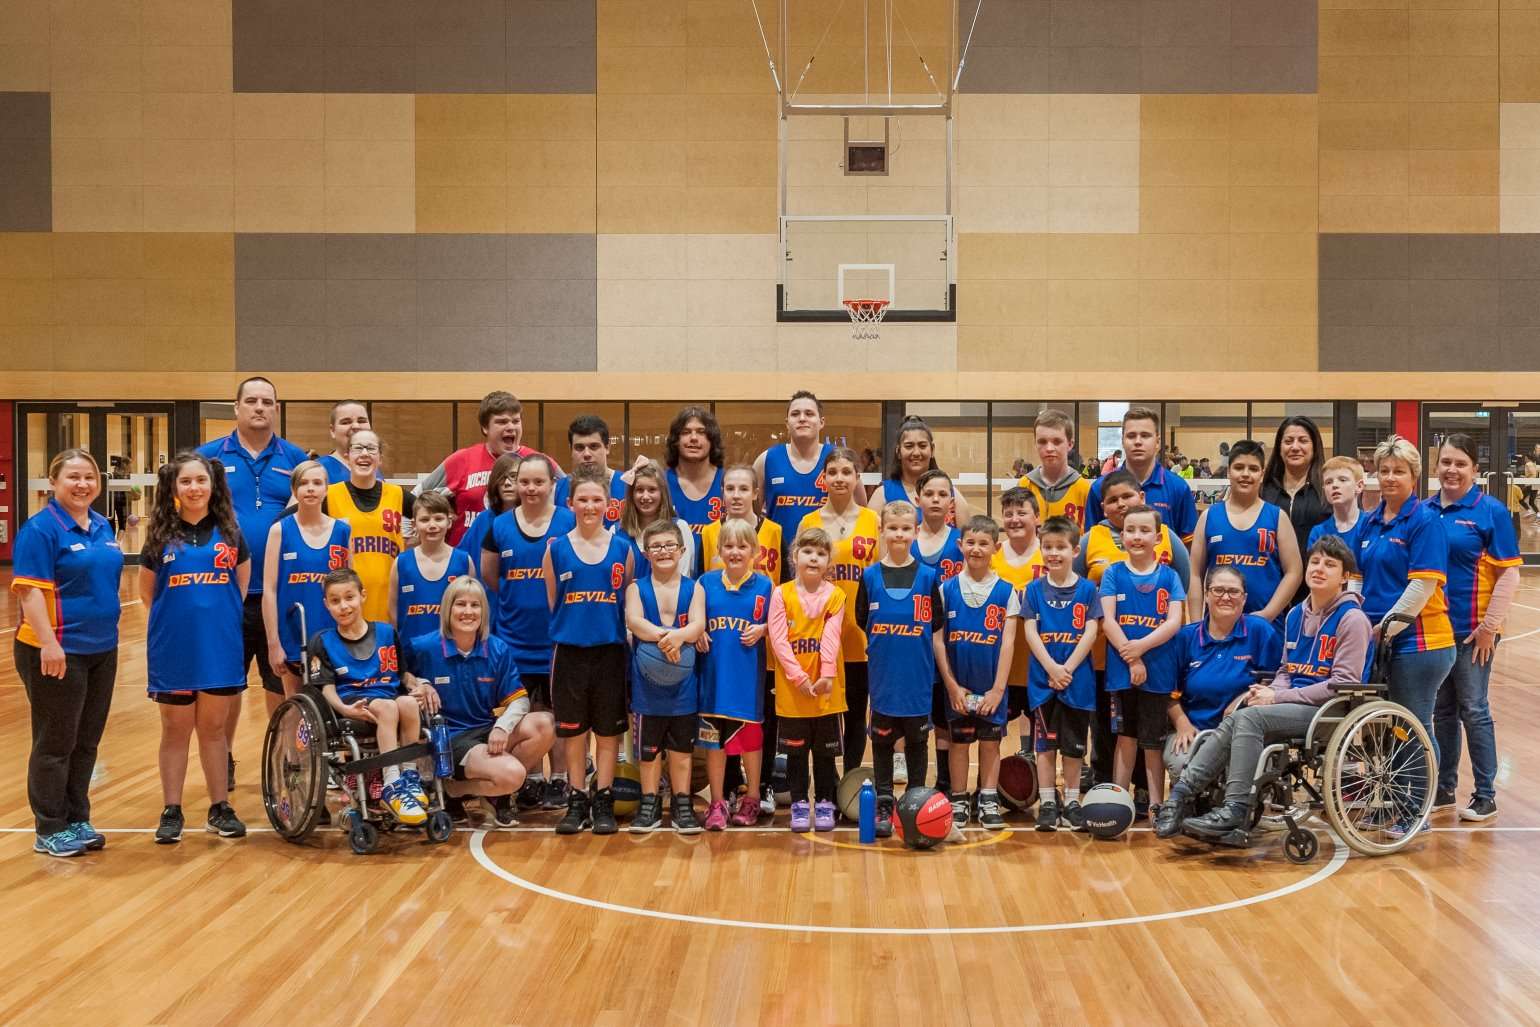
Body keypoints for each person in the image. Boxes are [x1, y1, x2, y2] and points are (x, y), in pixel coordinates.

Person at [1158, 537, 1372, 842]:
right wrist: (1264, 692)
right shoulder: (1297, 614)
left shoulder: (1353, 619)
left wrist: (1277, 696)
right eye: (1315, 562)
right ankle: (1179, 798)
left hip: (1328, 712)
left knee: (1249, 718)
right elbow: (1286, 670)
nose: (1319, 569)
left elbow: (1344, 684)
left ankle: (1233, 808)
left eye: (1330, 564)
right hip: (1292, 705)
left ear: (1345, 577)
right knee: (1244, 712)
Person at [12, 449, 124, 857]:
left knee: (87, 741)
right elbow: (29, 592)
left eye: (89, 478)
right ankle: (50, 827)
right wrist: (49, 643)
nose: (82, 485)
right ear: (54, 482)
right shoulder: (41, 529)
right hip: (56, 651)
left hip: (101, 649)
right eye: (73, 477)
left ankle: (78, 818)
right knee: (55, 741)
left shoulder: (101, 525)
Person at [197, 376, 308, 787]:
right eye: (252, 401)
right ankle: (222, 759)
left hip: (280, 594)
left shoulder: (296, 460)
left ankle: (285, 759)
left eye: (267, 402)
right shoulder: (208, 459)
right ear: (236, 407)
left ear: (276, 409)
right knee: (226, 686)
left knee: (281, 682)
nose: (259, 407)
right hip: (226, 594)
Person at [140, 451, 251, 844]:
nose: (194, 488)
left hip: (219, 648)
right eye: (185, 481)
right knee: (175, 730)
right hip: (173, 650)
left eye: (200, 481)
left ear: (212, 485)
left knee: (214, 729)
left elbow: (239, 588)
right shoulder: (158, 537)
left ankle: (220, 807)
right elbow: (148, 594)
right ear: (174, 487)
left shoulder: (232, 533)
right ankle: (172, 809)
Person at [1357, 435, 1456, 836]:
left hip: (1421, 642)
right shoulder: (1370, 519)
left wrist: (1384, 627)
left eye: (1399, 471)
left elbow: (1421, 589)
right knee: (1388, 729)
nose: (1391, 477)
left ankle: (1418, 809)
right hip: (1382, 642)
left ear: (1415, 476)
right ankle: (1394, 803)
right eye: (1384, 470)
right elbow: (1359, 577)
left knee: (1413, 726)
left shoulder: (1425, 521)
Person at [405, 577, 556, 825]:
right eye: (460, 604)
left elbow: (520, 701)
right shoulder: (425, 647)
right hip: (450, 738)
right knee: (513, 774)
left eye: (475, 605)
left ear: (483, 611)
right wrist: (417, 682)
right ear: (447, 609)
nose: (467, 612)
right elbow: (399, 671)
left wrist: (502, 726)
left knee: (546, 725)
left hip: (485, 729)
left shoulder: (496, 648)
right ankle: (454, 789)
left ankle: (496, 796)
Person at [1077, 468, 1192, 788]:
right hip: (1107, 655)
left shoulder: (1167, 538)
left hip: (1157, 654)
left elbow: (1184, 584)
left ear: (1141, 497)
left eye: (1127, 496)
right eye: (1112, 500)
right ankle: (1108, 791)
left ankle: (1147, 794)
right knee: (1107, 729)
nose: (1120, 503)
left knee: (1150, 732)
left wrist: (1143, 647)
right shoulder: (1092, 540)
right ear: (1103, 507)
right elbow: (1081, 593)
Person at [1432, 433, 1520, 823]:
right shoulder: (1424, 510)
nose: (1452, 470)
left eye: (1460, 463)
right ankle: (1444, 788)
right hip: (1433, 631)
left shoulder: (1491, 511)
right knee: (1442, 712)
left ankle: (1486, 794)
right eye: (1446, 462)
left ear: (1475, 470)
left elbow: (1509, 575)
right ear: (1436, 467)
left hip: (1472, 633)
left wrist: (1490, 626)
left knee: (1474, 709)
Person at [482, 453, 575, 809]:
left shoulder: (567, 521)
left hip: (557, 639)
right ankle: (532, 779)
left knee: (560, 714)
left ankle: (561, 779)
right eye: (525, 482)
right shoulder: (500, 526)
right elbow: (492, 577)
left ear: (553, 485)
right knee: (525, 713)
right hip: (514, 641)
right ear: (515, 484)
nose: (531, 488)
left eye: (539, 482)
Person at [545, 467, 634, 836]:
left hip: (611, 653)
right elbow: (555, 602)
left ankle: (604, 797)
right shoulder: (556, 549)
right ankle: (577, 796)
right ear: (570, 503)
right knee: (574, 732)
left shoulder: (622, 548)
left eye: (597, 499)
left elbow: (626, 601)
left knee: (608, 734)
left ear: (609, 505)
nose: (590, 505)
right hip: (570, 652)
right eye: (583, 499)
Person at [307, 568, 432, 826]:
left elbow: (403, 674)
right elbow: (326, 687)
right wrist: (344, 709)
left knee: (408, 702)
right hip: (354, 699)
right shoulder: (322, 641)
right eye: (335, 600)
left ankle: (408, 775)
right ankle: (391, 783)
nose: (344, 606)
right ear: (326, 605)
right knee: (387, 707)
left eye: (349, 597)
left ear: (362, 596)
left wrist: (419, 685)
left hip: (387, 694)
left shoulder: (387, 633)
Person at [855, 500, 942, 836]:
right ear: (882, 531)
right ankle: (884, 801)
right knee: (881, 745)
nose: (899, 534)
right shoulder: (870, 577)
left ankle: (915, 803)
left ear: (916, 532)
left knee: (918, 746)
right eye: (893, 528)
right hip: (884, 680)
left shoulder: (927, 577)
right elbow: (863, 618)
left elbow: (934, 624)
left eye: (906, 528)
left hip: (918, 680)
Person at [1099, 505, 1186, 815]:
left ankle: (1156, 805)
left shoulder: (1170, 576)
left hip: (1159, 670)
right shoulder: (1113, 573)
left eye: (1144, 530)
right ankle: (1118, 802)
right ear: (1122, 536)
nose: (1137, 536)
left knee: (1153, 740)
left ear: (1157, 536)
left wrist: (1140, 649)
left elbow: (1174, 621)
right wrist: (1132, 657)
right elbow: (1107, 620)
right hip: (1123, 670)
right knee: (1126, 736)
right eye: (1130, 530)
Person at [798, 447, 880, 777]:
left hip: (859, 633)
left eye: (847, 472)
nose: (839, 478)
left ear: (857, 477)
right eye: (833, 472)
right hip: (820, 633)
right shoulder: (809, 521)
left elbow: (881, 576)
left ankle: (851, 779)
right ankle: (829, 781)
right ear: (824, 479)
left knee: (857, 711)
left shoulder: (873, 520)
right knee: (824, 710)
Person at [624, 521, 707, 834]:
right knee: (649, 753)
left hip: (684, 687)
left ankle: (682, 803)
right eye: (655, 546)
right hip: (647, 689)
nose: (663, 551)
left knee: (682, 752)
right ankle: (650, 803)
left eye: (669, 545)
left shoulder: (694, 587)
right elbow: (634, 621)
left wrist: (679, 636)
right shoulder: (636, 587)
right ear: (646, 553)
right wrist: (668, 638)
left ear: (682, 550)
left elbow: (698, 625)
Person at [1020, 515, 1101, 832]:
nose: (1054, 553)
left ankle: (1072, 801)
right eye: (1047, 547)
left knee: (1073, 746)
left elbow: (1091, 631)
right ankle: (1048, 802)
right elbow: (1030, 633)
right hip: (1043, 682)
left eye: (1060, 547)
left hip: (1076, 682)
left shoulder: (1087, 590)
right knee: (1044, 746)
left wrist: (1067, 668)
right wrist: (1052, 668)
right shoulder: (1034, 590)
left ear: (1075, 550)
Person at [1166, 566, 1282, 783]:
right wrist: (1181, 723)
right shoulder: (1185, 637)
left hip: (1243, 733)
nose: (1226, 597)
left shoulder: (1260, 631)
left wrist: (1242, 700)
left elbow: (1275, 681)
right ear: (1207, 595)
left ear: (1245, 598)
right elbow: (1168, 691)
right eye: (1218, 590)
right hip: (1195, 730)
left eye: (1233, 591)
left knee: (1244, 774)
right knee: (1182, 764)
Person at [936, 516, 1016, 831]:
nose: (976, 549)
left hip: (991, 686)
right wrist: (952, 687)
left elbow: (1008, 644)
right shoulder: (945, 589)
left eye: (984, 543)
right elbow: (938, 641)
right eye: (970, 542)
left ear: (996, 547)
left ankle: (987, 798)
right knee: (958, 743)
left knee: (990, 744)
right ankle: (958, 798)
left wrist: (998, 689)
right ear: (960, 546)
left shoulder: (1007, 591)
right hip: (959, 687)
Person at [697, 518, 775, 830]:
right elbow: (694, 620)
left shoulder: (766, 587)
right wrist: (698, 629)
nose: (735, 552)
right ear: (718, 550)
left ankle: (752, 797)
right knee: (714, 745)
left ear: (755, 551)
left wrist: (765, 628)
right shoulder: (705, 583)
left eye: (743, 546)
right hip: (713, 680)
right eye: (728, 546)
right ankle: (717, 802)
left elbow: (784, 624)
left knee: (751, 744)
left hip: (747, 682)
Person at [769, 526, 848, 833]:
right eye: (808, 552)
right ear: (795, 556)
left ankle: (825, 801)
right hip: (793, 689)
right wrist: (798, 676)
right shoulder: (781, 593)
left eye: (821, 553)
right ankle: (800, 803)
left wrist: (826, 675)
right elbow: (778, 639)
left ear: (829, 562)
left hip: (826, 690)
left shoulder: (836, 595)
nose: (814, 558)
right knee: (796, 753)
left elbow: (831, 637)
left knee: (825, 754)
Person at [1186, 440, 1302, 624]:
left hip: (1266, 628)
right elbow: (1194, 574)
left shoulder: (1277, 517)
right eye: (1239, 467)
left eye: (1253, 469)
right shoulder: (1209, 517)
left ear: (1262, 475)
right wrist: (1194, 624)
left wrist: (1268, 614)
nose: (1246, 474)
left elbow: (1294, 572)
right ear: (1228, 471)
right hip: (1216, 628)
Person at [263, 460, 350, 703]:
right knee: (295, 705)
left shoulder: (342, 531)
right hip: (293, 634)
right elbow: (269, 591)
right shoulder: (280, 530)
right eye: (303, 483)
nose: (310, 488)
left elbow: (349, 589)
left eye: (317, 483)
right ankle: (292, 744)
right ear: (294, 490)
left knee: (332, 707)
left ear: (326, 489)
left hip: (332, 635)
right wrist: (273, 643)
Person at [423, 391, 556, 546]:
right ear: (485, 427)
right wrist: (411, 538)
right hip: (468, 558)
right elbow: (417, 497)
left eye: (516, 421)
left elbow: (569, 497)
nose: (511, 427)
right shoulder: (461, 460)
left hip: (519, 558)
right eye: (502, 422)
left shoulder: (538, 462)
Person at [756, 391, 854, 569]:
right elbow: (753, 516)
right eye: (795, 414)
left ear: (821, 422)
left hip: (829, 564)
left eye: (809, 413)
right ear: (787, 423)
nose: (802, 418)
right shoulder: (767, 459)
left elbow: (859, 510)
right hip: (777, 564)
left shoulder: (838, 460)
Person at [326, 429, 411, 623]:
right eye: (358, 448)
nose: (365, 453)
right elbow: (292, 520)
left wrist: (416, 548)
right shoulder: (330, 495)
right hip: (344, 604)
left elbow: (434, 515)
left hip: (388, 601)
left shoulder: (397, 495)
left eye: (371, 448)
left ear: (380, 458)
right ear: (347, 457)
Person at [1086, 407, 1198, 544]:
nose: (1138, 441)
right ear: (1122, 441)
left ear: (1157, 442)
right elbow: (1090, 544)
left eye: (1145, 435)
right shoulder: (1099, 488)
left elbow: (1188, 546)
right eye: (1131, 436)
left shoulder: (1179, 488)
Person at [991, 486, 1046, 754]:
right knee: (993, 733)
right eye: (1008, 513)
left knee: (1047, 734)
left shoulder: (1050, 553)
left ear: (1037, 517)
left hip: (1042, 662)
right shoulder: (993, 556)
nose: (1014, 518)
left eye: (1021, 512)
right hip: (1003, 665)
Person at [389, 490, 474, 644]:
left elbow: (472, 610)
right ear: (414, 524)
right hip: (411, 656)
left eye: (438, 519)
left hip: (452, 653)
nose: (432, 525)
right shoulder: (401, 563)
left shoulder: (463, 561)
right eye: (425, 519)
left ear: (449, 522)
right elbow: (393, 612)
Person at [1261, 416, 1330, 603]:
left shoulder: (1327, 490)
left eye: (1303, 440)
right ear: (1279, 447)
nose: (1295, 447)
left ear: (1314, 446)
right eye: (1288, 441)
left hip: (1316, 592)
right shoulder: (1263, 492)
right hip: (1269, 590)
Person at [867, 415, 974, 524]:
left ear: (932, 449)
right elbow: (870, 537)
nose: (916, 453)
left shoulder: (952, 494)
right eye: (909, 446)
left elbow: (966, 538)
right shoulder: (882, 494)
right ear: (898, 451)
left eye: (922, 446)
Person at [616, 460, 698, 580]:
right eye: (639, 490)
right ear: (631, 494)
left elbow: (683, 579)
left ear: (662, 493)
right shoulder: (617, 531)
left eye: (652, 490)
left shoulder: (680, 528)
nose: (645, 496)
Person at [700, 463, 781, 580]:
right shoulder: (709, 533)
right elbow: (700, 583)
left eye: (744, 489)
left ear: (755, 494)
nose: (736, 495)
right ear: (723, 493)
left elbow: (786, 585)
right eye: (730, 489)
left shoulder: (774, 531)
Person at [1019, 408, 1092, 529]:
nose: (1049, 448)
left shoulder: (1085, 489)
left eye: (1057, 441)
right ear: (1035, 444)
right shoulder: (1025, 485)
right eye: (1042, 441)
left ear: (1070, 444)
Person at [554, 414, 628, 530]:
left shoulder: (628, 485)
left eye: (594, 447)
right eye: (579, 448)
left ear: (607, 447)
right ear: (571, 450)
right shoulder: (557, 489)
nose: (587, 454)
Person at [665, 405, 725, 542]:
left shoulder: (730, 483)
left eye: (701, 432)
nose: (693, 438)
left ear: (712, 440)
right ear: (675, 441)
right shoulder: (660, 483)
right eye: (686, 432)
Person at [1308, 456, 1369, 556]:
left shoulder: (1372, 525)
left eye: (1342, 480)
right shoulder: (1318, 532)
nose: (1334, 485)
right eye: (1328, 482)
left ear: (1359, 486)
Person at [316, 400, 371, 483]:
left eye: (362, 421)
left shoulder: (372, 467)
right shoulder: (318, 469)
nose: (356, 426)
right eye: (346, 422)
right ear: (332, 431)